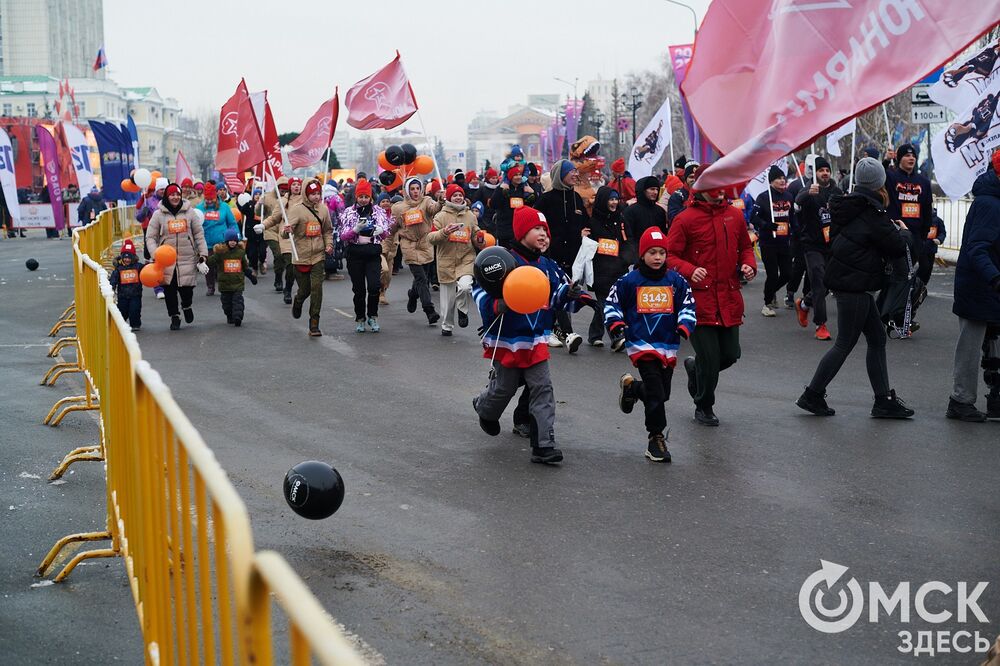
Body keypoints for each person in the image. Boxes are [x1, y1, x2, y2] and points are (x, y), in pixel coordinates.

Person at [796, 157, 914, 419]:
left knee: (876, 338)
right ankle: (813, 394)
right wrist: (904, 232)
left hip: (849, 279)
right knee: (845, 343)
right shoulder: (871, 212)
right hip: (855, 283)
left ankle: (883, 399)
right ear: (878, 184)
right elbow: (895, 245)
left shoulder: (845, 204)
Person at [472, 206, 589, 464]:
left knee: (543, 388)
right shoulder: (502, 261)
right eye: (537, 229)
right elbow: (479, 289)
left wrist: (574, 296)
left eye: (545, 231)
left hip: (536, 339)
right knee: (505, 387)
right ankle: (484, 408)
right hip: (508, 339)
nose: (543, 235)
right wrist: (496, 304)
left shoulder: (548, 266)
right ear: (522, 232)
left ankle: (543, 444)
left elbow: (556, 294)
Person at [666, 165, 757, 426]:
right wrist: (690, 270)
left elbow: (745, 247)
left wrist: (748, 264)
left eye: (722, 189)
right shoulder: (685, 219)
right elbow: (669, 256)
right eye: (714, 190)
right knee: (710, 357)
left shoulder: (734, 215)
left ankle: (696, 369)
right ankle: (703, 405)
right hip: (697, 300)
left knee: (730, 354)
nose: (719, 195)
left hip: (728, 296)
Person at [608, 227, 697, 462]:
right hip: (641, 344)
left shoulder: (676, 280)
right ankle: (655, 438)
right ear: (642, 255)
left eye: (661, 253)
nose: (658, 257)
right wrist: (616, 324)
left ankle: (633, 389)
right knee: (657, 393)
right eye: (652, 252)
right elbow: (612, 303)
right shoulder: (630, 281)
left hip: (667, 344)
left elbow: (689, 304)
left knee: (662, 393)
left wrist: (684, 324)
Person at [947, 151, 1000, 422]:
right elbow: (977, 248)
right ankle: (960, 400)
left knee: (994, 344)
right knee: (970, 346)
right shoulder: (990, 204)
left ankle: (996, 397)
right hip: (979, 286)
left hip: (989, 287)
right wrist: (995, 277)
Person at [535, 159, 589, 352]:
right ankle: (564, 333)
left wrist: (585, 233)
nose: (576, 174)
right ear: (560, 175)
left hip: (573, 256)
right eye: (571, 171)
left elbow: (586, 223)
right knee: (554, 291)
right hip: (551, 255)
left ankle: (557, 331)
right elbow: (535, 225)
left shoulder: (577, 198)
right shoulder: (546, 199)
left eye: (576, 171)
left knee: (568, 293)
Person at [145, 183, 208, 330]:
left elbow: (199, 234)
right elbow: (150, 237)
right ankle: (174, 315)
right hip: (166, 260)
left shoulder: (190, 212)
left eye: (177, 194)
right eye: (172, 194)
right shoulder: (158, 214)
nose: (175, 197)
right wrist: (156, 254)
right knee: (169, 289)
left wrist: (203, 254)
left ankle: (186, 306)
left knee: (187, 289)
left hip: (187, 257)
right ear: (167, 196)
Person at [793, 156, 841, 340]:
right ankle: (821, 324)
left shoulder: (836, 191)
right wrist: (806, 194)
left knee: (830, 282)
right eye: (821, 170)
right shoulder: (808, 190)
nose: (825, 173)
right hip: (812, 244)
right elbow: (796, 204)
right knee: (819, 281)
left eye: (827, 170)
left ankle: (804, 304)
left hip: (832, 245)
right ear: (816, 173)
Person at [428, 184, 482, 336]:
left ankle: (462, 310)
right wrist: (445, 232)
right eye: (455, 195)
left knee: (465, 287)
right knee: (448, 299)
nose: (458, 198)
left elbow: (476, 234)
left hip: (466, 258)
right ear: (449, 198)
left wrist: (480, 239)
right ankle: (447, 325)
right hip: (446, 259)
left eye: (460, 195)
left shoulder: (470, 215)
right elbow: (431, 238)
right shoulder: (440, 216)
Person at [339, 179, 391, 332]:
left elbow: (385, 232)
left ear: (371, 197)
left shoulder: (377, 211)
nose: (363, 199)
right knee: (359, 290)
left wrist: (381, 231)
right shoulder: (348, 212)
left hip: (372, 253)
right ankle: (360, 318)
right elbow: (343, 236)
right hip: (355, 254)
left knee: (374, 286)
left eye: (366, 197)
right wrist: (355, 230)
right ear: (356, 197)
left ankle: (373, 316)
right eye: (361, 196)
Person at [283, 178, 334, 336]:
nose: (316, 197)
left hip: (318, 256)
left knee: (317, 288)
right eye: (313, 194)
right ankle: (298, 301)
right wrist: (287, 230)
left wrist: (329, 245)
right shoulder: (296, 210)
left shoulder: (324, 210)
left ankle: (314, 323)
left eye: (318, 193)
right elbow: (284, 234)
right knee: (304, 290)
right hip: (301, 256)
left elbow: (327, 230)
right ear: (306, 194)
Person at [392, 177, 443, 325]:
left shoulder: (426, 201)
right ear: (407, 190)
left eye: (417, 188)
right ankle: (429, 310)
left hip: (425, 242)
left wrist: (440, 200)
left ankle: (413, 294)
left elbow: (434, 209)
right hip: (409, 244)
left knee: (422, 277)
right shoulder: (398, 208)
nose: (415, 191)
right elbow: (393, 229)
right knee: (422, 279)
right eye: (412, 189)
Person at [586, 186, 630, 346]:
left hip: (618, 268)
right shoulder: (592, 222)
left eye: (615, 199)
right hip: (600, 269)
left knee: (604, 305)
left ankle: (594, 335)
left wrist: (627, 258)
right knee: (605, 302)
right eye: (610, 199)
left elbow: (628, 240)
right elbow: (587, 245)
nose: (613, 202)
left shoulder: (621, 220)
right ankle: (617, 336)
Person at [753, 166, 796, 317]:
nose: (782, 180)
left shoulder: (789, 196)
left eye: (783, 178)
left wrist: (796, 231)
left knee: (787, 273)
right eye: (778, 178)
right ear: (771, 181)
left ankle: (771, 292)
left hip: (784, 242)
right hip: (768, 242)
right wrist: (766, 225)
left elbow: (792, 217)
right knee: (772, 274)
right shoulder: (764, 197)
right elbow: (754, 217)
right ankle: (767, 303)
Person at [259, 176, 300, 304]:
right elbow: (274, 218)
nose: (296, 187)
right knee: (290, 264)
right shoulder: (282, 202)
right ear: (289, 187)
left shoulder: (306, 201)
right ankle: (287, 290)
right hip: (286, 237)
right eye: (293, 184)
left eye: (298, 184)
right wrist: (263, 225)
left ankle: (291, 287)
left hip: (301, 238)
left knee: (298, 268)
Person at [205, 227, 257, 326]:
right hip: (225, 285)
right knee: (227, 304)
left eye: (234, 240)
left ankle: (238, 317)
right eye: (230, 240)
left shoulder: (240, 253)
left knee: (238, 302)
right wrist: (203, 261)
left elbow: (245, 267)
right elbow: (211, 261)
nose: (233, 242)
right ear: (226, 241)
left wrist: (251, 277)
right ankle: (230, 316)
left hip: (237, 284)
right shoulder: (221, 253)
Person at [197, 182, 240, 296]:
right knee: (209, 267)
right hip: (207, 244)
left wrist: (236, 236)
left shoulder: (224, 207)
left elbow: (232, 223)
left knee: (223, 266)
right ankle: (210, 287)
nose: (210, 201)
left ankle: (224, 286)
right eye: (207, 199)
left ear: (216, 197)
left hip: (222, 243)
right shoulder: (199, 208)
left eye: (212, 198)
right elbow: (195, 226)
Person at [490, 164, 536, 247]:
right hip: (505, 231)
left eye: (520, 175)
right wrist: (500, 190)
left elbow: (531, 207)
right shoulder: (503, 188)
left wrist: (533, 194)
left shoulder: (525, 189)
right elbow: (493, 204)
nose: (518, 177)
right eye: (515, 175)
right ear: (510, 176)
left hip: (521, 231)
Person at [625, 175, 669, 258]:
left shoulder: (660, 211)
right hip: (637, 256)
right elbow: (629, 237)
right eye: (652, 189)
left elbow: (663, 234)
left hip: (657, 255)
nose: (655, 192)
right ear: (643, 190)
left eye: (657, 189)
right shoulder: (630, 211)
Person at [108, 239, 144, 332]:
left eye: (129, 257)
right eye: (125, 257)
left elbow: (146, 272)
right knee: (122, 311)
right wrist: (111, 286)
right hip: (122, 295)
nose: (127, 259)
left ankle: (135, 324)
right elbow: (114, 279)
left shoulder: (138, 267)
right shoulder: (119, 269)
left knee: (134, 310)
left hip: (135, 295)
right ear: (122, 257)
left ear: (133, 257)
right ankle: (121, 323)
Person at [377, 193, 399, 304]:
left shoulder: (394, 217)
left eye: (387, 201)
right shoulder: (375, 217)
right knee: (384, 270)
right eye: (383, 201)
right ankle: (379, 292)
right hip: (379, 250)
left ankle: (383, 292)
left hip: (392, 249)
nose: (385, 203)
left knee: (388, 276)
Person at [239, 189, 266, 276]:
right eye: (256, 194)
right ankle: (255, 268)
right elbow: (242, 210)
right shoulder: (249, 205)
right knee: (252, 254)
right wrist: (247, 203)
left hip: (262, 233)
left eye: (260, 194)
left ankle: (262, 262)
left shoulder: (264, 205)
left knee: (262, 252)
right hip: (251, 234)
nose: (258, 196)